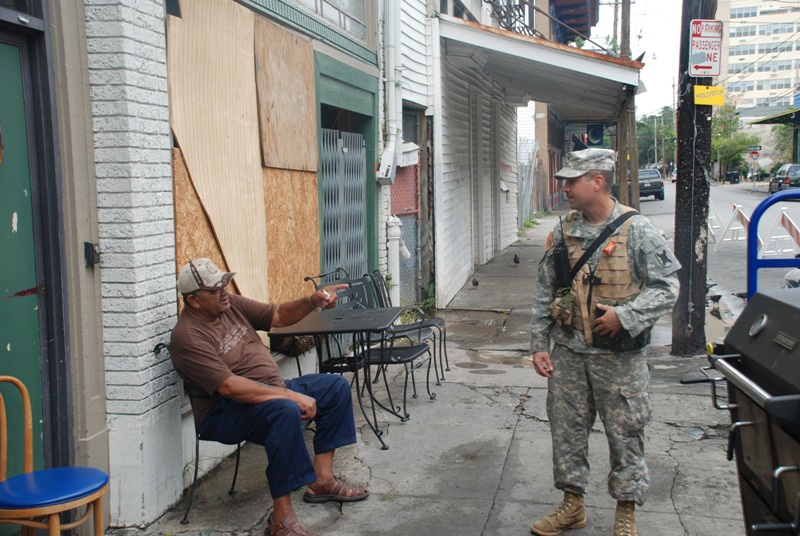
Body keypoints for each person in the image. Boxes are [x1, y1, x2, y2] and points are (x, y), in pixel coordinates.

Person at [529, 149, 680, 536]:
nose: (564, 188)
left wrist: (625, 316)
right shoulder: (562, 230)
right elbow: (545, 289)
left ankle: (626, 511)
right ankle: (572, 505)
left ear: (597, 181)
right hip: (568, 353)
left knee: (626, 433)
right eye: (563, 181)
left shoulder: (638, 229)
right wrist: (539, 344)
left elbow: (667, 288)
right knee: (566, 432)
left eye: (572, 180)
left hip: (619, 359)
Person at [169, 258, 368, 536]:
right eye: (216, 289)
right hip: (225, 411)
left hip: (271, 389)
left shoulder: (230, 305)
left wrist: (312, 301)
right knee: (283, 411)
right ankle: (281, 521)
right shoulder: (187, 336)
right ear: (194, 301)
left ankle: (321, 480)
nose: (224, 291)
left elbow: (277, 316)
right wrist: (288, 396)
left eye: (224, 283)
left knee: (334, 387)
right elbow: (228, 387)